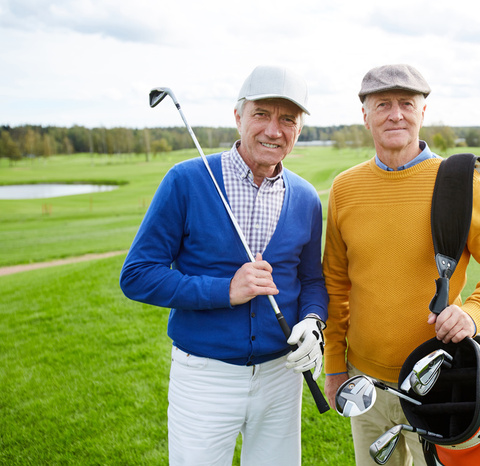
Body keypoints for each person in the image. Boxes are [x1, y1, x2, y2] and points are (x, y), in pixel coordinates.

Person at [120, 65, 328, 466]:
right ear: (238, 117)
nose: (274, 129)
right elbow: (137, 275)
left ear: (299, 129)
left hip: (281, 377)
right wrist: (224, 290)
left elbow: (311, 280)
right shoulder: (185, 181)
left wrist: (314, 321)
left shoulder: (305, 197)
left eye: (288, 119)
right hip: (204, 376)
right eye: (261, 114)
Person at [322, 64, 480, 466]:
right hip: (367, 385)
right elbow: (336, 284)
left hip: (441, 381)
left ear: (422, 112)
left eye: (406, 103)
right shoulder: (344, 188)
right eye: (382, 104)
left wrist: (473, 313)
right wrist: (333, 365)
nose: (395, 114)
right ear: (365, 116)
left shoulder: (458, 181)